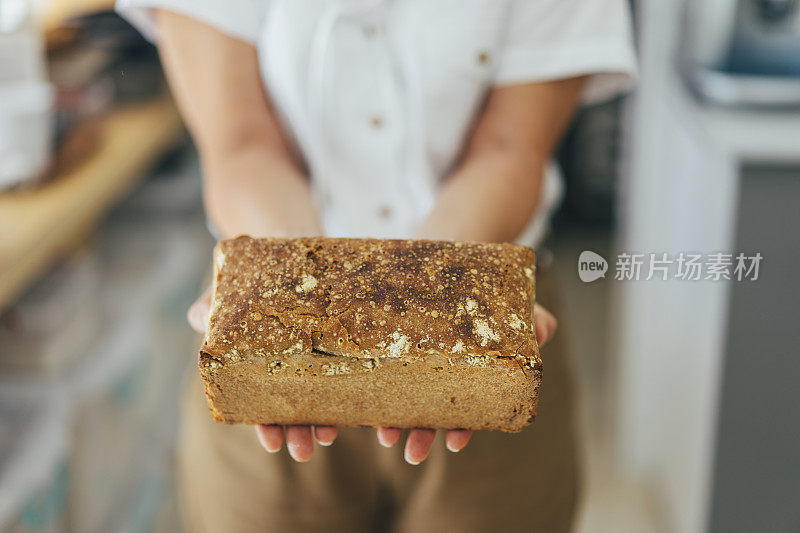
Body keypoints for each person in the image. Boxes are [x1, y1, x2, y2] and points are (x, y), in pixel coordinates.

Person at [117, 1, 636, 531]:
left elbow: (510, 147)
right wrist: (301, 282)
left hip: (481, 309)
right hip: (270, 317)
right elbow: (240, 143)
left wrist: (427, 289)